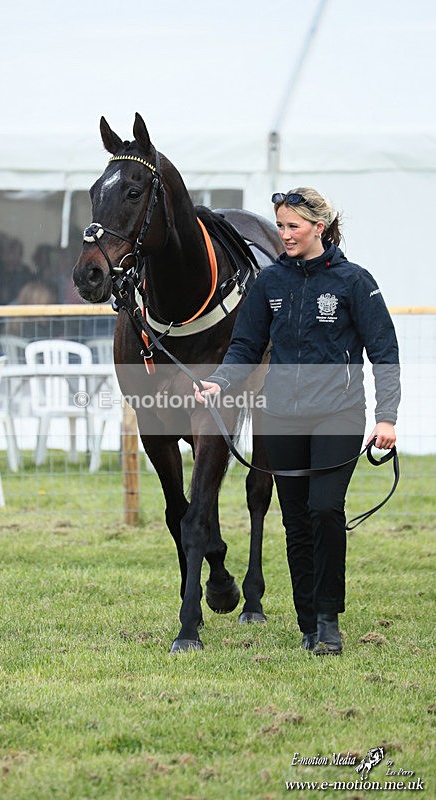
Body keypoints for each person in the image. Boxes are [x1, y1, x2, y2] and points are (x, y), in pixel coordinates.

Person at [195, 187, 400, 656]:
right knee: (295, 523)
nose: (284, 235)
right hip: (280, 417)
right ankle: (309, 624)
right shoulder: (269, 284)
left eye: (293, 226)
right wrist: (220, 383)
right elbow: (245, 347)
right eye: (281, 226)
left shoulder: (354, 281)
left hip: (338, 415)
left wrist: (386, 417)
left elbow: (384, 353)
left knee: (325, 509)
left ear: (318, 228)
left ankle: (329, 619)